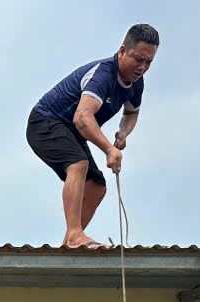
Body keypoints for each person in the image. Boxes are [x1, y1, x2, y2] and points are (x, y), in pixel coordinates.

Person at [26, 24, 159, 249]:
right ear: (122, 51)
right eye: (138, 59)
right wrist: (109, 149)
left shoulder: (136, 84)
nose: (142, 67)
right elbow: (82, 117)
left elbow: (131, 113)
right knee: (78, 164)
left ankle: (69, 242)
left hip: (71, 131)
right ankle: (75, 235)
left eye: (149, 62)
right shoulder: (103, 75)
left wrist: (123, 133)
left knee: (96, 186)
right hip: (45, 122)